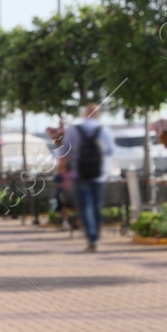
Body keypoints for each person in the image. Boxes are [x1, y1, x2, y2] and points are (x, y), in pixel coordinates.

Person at [62, 101, 116, 251]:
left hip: (80, 173)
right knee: (97, 206)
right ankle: (96, 236)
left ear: (85, 113)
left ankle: (92, 238)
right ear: (98, 115)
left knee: (85, 206)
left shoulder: (74, 130)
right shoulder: (105, 130)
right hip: (100, 174)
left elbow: (65, 151)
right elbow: (110, 151)